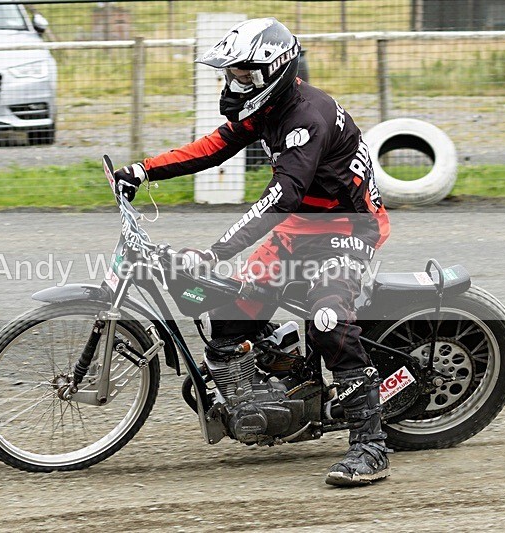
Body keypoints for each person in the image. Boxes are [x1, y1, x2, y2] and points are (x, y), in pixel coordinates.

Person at [113, 17, 391, 486]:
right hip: (302, 225)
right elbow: (214, 147)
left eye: (243, 74)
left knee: (327, 319)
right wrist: (143, 170)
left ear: (275, 70)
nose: (235, 82)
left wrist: (216, 252)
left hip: (348, 226)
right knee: (230, 316)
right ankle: (285, 375)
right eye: (232, 74)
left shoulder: (307, 117)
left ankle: (371, 444)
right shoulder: (269, 107)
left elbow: (281, 196)